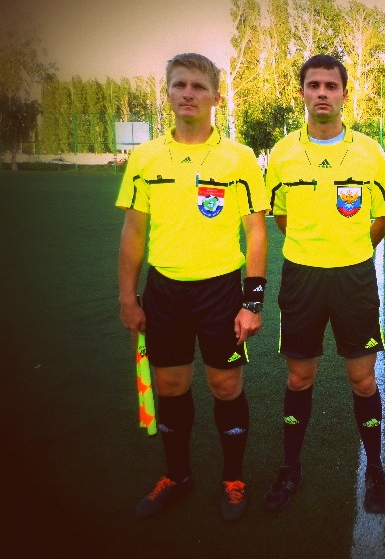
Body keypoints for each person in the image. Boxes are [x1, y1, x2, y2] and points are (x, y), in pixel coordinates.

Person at [117, 53, 268, 522]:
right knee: (170, 384)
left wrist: (253, 301)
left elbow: (256, 231)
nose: (188, 93)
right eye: (180, 84)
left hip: (220, 290)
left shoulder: (238, 157)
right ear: (167, 93)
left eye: (199, 86)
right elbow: (134, 231)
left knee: (225, 385)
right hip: (165, 290)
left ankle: (233, 480)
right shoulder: (146, 157)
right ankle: (177, 475)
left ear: (216, 97)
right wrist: (128, 295)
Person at [261, 54, 385, 514]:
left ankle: (375, 468)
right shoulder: (282, 153)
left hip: (354, 277)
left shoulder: (369, 152)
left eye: (330, 86)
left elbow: (380, 219)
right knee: (300, 376)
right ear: (302, 92)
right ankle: (290, 467)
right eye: (313, 85)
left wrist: (348, 248)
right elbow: (281, 217)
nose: (321, 93)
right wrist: (314, 248)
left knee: (362, 379)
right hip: (302, 277)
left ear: (344, 94)